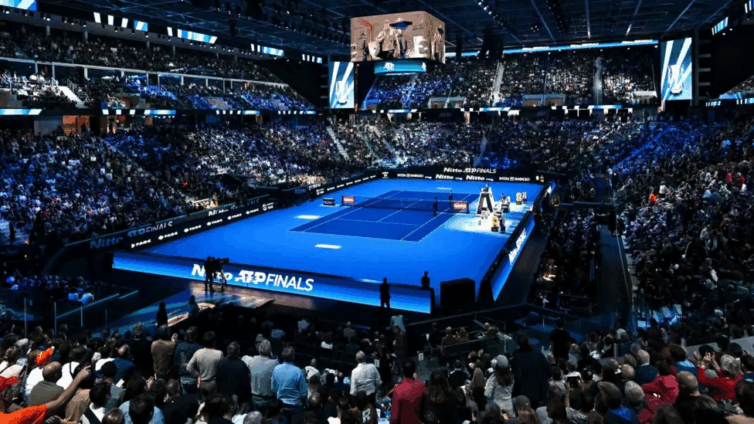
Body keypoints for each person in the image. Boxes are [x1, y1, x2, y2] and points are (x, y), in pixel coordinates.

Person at [0, 365, 92, 424]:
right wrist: (79, 378)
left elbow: (15, 408)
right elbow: (59, 401)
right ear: (3, 394)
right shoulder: (15, 418)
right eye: (9, 388)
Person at [511, 334, 551, 408]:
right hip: (540, 392)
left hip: (526, 395)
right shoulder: (538, 353)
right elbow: (548, 371)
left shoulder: (517, 357)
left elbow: (517, 378)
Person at [271, 347, 307, 421]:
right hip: (295, 407)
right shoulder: (298, 371)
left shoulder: (276, 369)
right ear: (293, 357)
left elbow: (273, 389)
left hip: (281, 406)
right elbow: (304, 393)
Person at [244, 339, 278, 415]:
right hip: (269, 400)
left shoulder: (252, 360)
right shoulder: (275, 363)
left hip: (254, 398)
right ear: (270, 350)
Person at [187, 331, 223, 401]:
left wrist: (198, 375)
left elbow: (189, 367)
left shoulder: (198, 352)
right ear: (214, 342)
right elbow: (222, 370)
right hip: (214, 383)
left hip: (202, 383)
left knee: (204, 403)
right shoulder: (219, 354)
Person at [216, 342, 251, 406]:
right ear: (238, 352)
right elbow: (246, 384)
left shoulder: (220, 363)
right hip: (238, 400)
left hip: (223, 397)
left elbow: (217, 380)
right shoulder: (242, 365)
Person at [390, 359, 424, 424]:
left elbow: (395, 417)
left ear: (402, 371)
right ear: (414, 371)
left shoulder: (398, 390)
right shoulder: (422, 386)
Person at [174, 326, 202, 398]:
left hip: (183, 377)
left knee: (185, 398)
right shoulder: (199, 348)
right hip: (195, 378)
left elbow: (176, 363)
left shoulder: (180, 346)